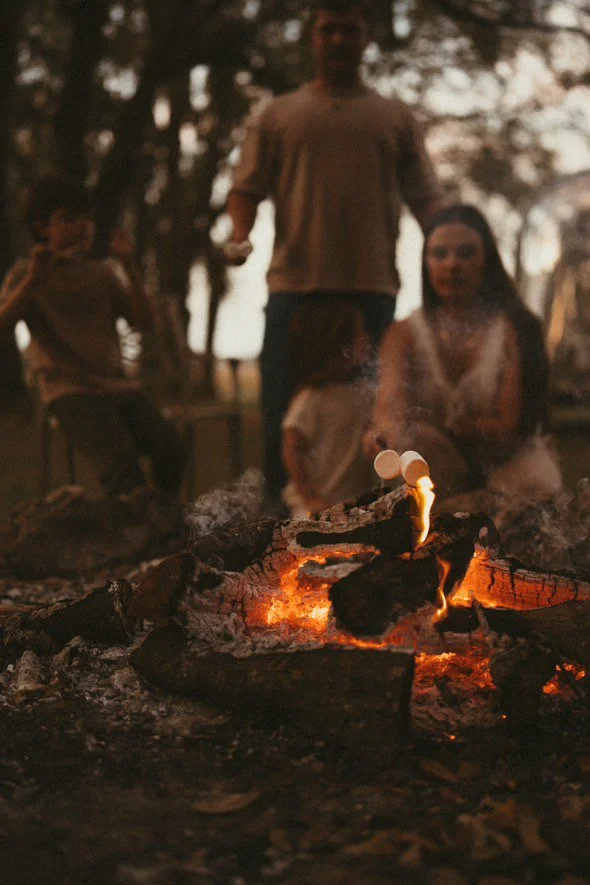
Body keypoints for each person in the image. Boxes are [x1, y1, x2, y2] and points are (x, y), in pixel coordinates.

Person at [225, 0, 443, 513]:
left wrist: (455, 242)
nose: (339, 39)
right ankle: (279, 527)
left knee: (373, 417)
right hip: (296, 289)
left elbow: (428, 199)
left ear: (366, 39)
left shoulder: (393, 117)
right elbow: (245, 189)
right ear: (313, 37)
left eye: (350, 30)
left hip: (371, 290)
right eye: (329, 30)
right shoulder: (278, 114)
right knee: (285, 413)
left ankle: (371, 520)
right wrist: (240, 234)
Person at [0, 177, 186, 497]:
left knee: (171, 448)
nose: (82, 227)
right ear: (42, 227)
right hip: (68, 391)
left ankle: (160, 522)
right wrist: (33, 281)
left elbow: (143, 321)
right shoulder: (25, 274)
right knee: (122, 467)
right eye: (68, 218)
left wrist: (129, 265)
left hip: (115, 386)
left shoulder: (101, 274)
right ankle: (136, 531)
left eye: (87, 218)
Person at [365, 204, 562, 501]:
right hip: (438, 465)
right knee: (413, 449)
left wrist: (453, 425)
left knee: (536, 482)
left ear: (487, 260)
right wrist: (385, 435)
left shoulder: (516, 328)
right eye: (440, 254)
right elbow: (391, 408)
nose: (452, 264)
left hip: (510, 465)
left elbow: (511, 427)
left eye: (466, 253)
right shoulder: (404, 333)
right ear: (426, 263)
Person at [281, 297, 374, 517]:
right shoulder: (312, 398)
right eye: (359, 335)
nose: (367, 339)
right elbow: (292, 448)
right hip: (313, 509)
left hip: (352, 506)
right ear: (340, 346)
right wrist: (311, 498)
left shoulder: (365, 393)